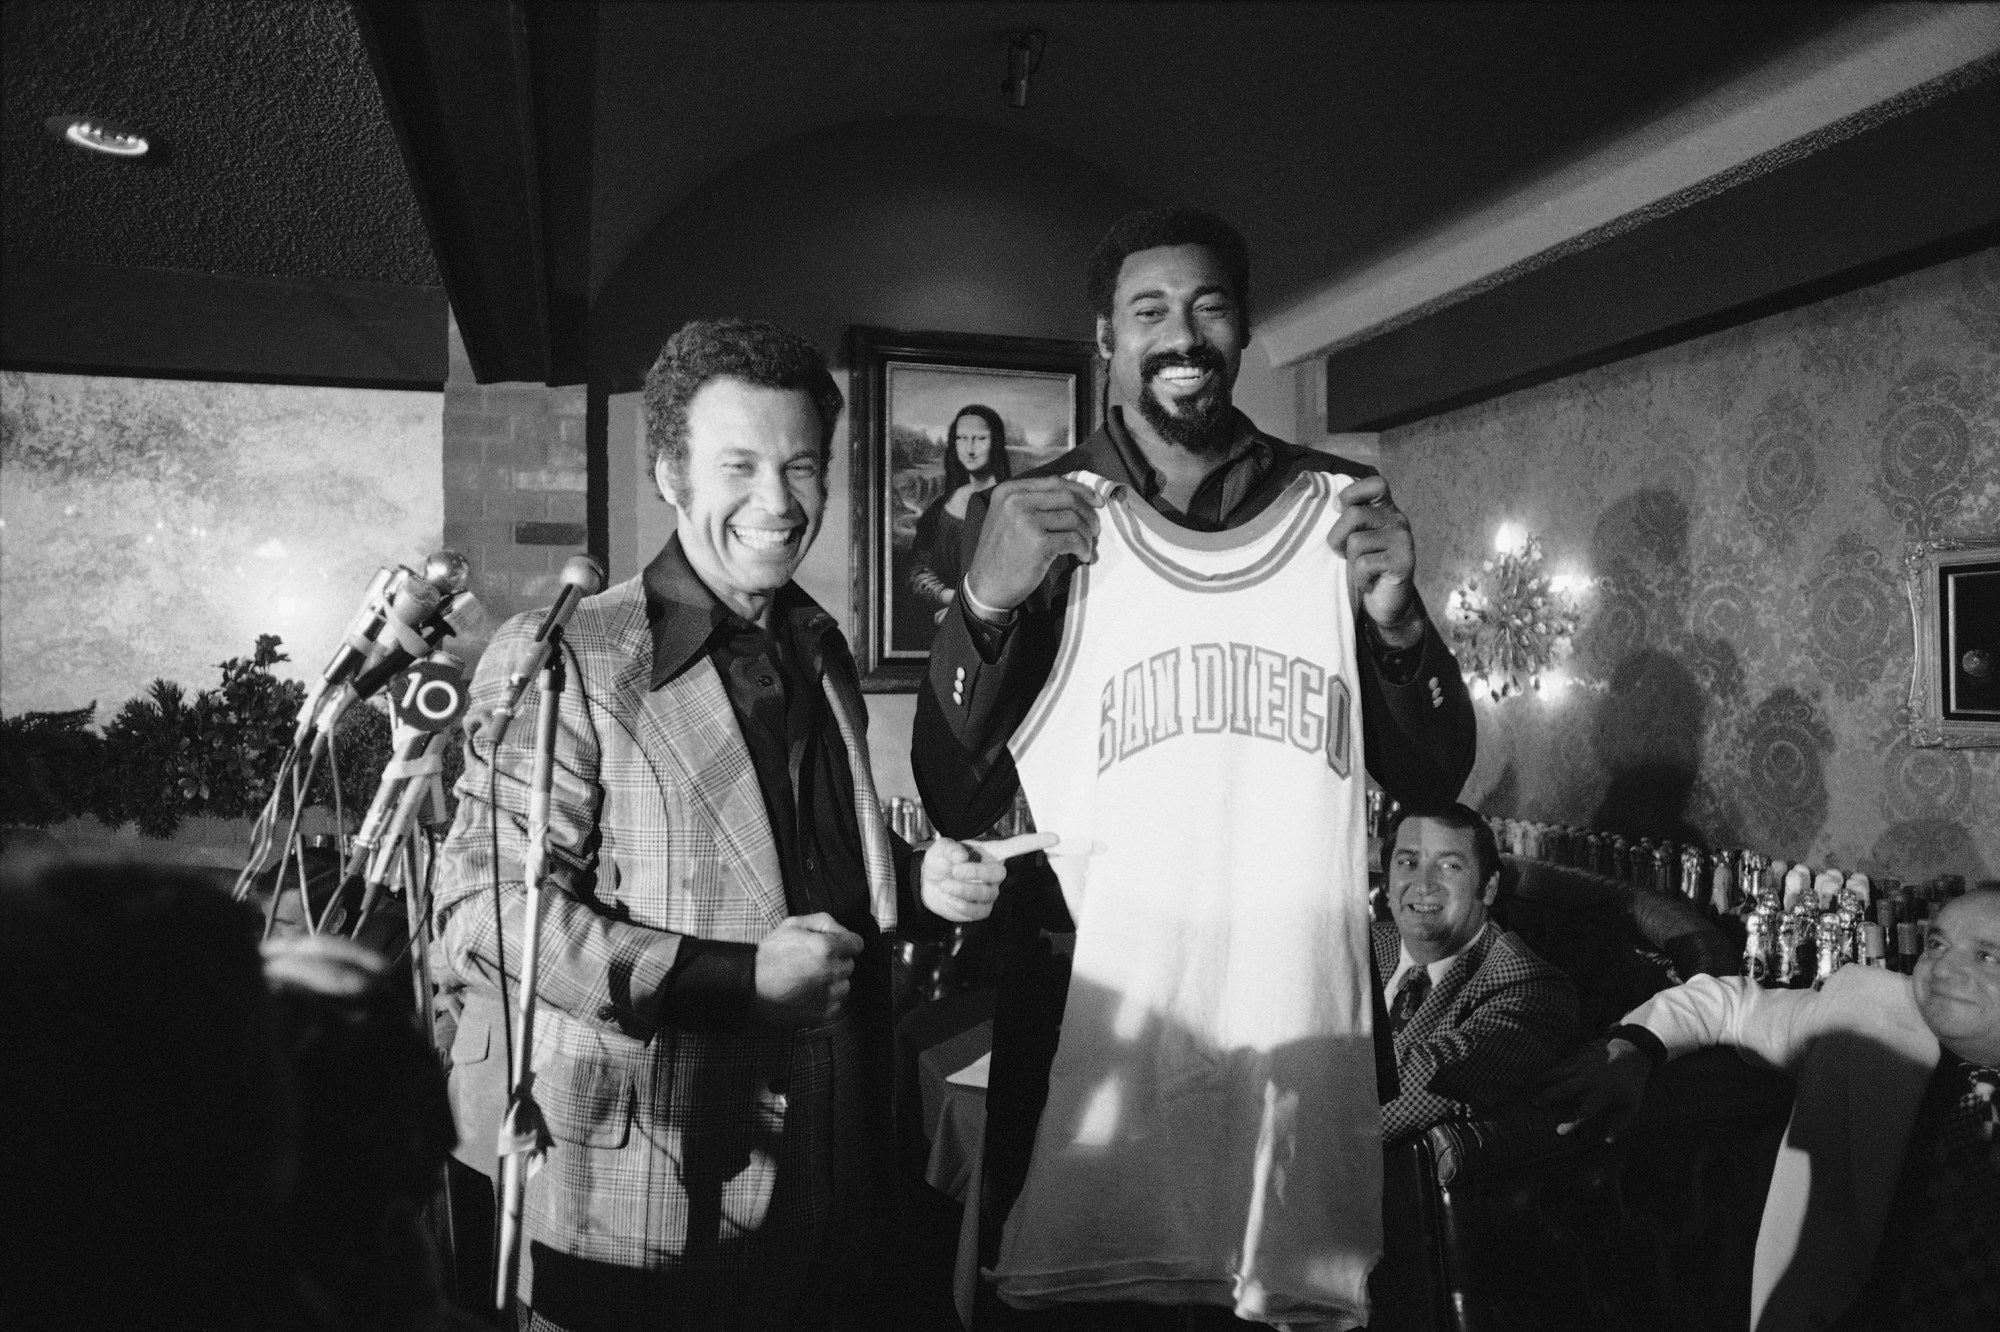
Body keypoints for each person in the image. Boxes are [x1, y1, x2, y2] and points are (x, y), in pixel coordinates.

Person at [911, 207, 1477, 1328]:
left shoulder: (1333, 512)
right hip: (1094, 1009)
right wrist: (984, 601)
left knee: (1286, 1299)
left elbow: (1431, 774)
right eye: (1149, 310)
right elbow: (954, 792)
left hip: (1293, 1018)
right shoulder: (1045, 518)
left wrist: (1398, 623)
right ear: (1105, 340)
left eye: (1208, 306)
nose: (1182, 333)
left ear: (1245, 327)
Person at [431, 316, 1052, 1332]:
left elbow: (810, 866)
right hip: (651, 1205)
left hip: (845, 1176)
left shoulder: (819, 641)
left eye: (801, 466)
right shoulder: (569, 653)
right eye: (739, 465)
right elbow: (483, 905)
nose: (776, 501)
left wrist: (918, 880)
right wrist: (729, 983)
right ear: (670, 474)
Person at [1536, 886, 2000, 1331]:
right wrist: (1634, 1049)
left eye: (1986, 955)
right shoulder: (1868, 1013)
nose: (1942, 970)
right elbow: (1725, 1002)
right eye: (1936, 945)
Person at [1374, 805, 1576, 1145]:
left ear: (1489, 888)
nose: (1423, 885)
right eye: (1408, 863)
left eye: (1449, 866)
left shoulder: (1531, 989)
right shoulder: (1362, 945)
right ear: (1388, 886)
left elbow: (1405, 1093)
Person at [910, 404, 1014, 623]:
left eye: (980, 438)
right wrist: (950, 597)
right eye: (962, 438)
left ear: (995, 442)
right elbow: (918, 568)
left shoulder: (1012, 504)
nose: (970, 449)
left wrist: (966, 610)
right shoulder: (940, 508)